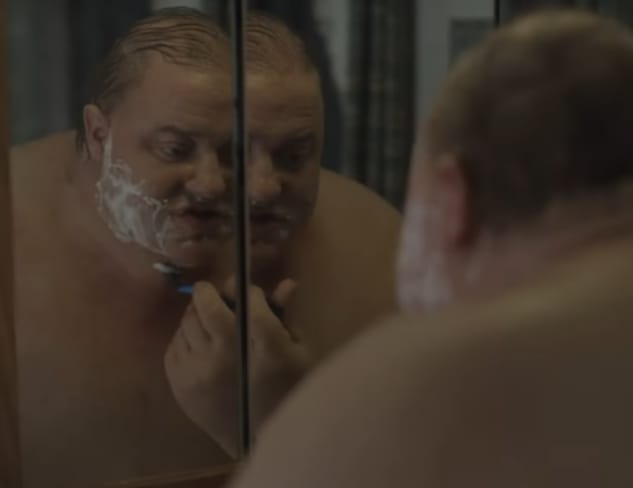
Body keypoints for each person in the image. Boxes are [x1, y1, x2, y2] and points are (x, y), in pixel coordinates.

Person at [229, 8, 633, 488]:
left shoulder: (408, 394)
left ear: (450, 197)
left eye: (295, 156)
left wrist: (288, 419)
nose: (263, 188)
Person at [11, 8, 401, 487]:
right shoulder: (18, 239)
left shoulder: (373, 249)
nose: (259, 189)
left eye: (293, 155)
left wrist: (272, 421)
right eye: (176, 149)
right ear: (98, 136)